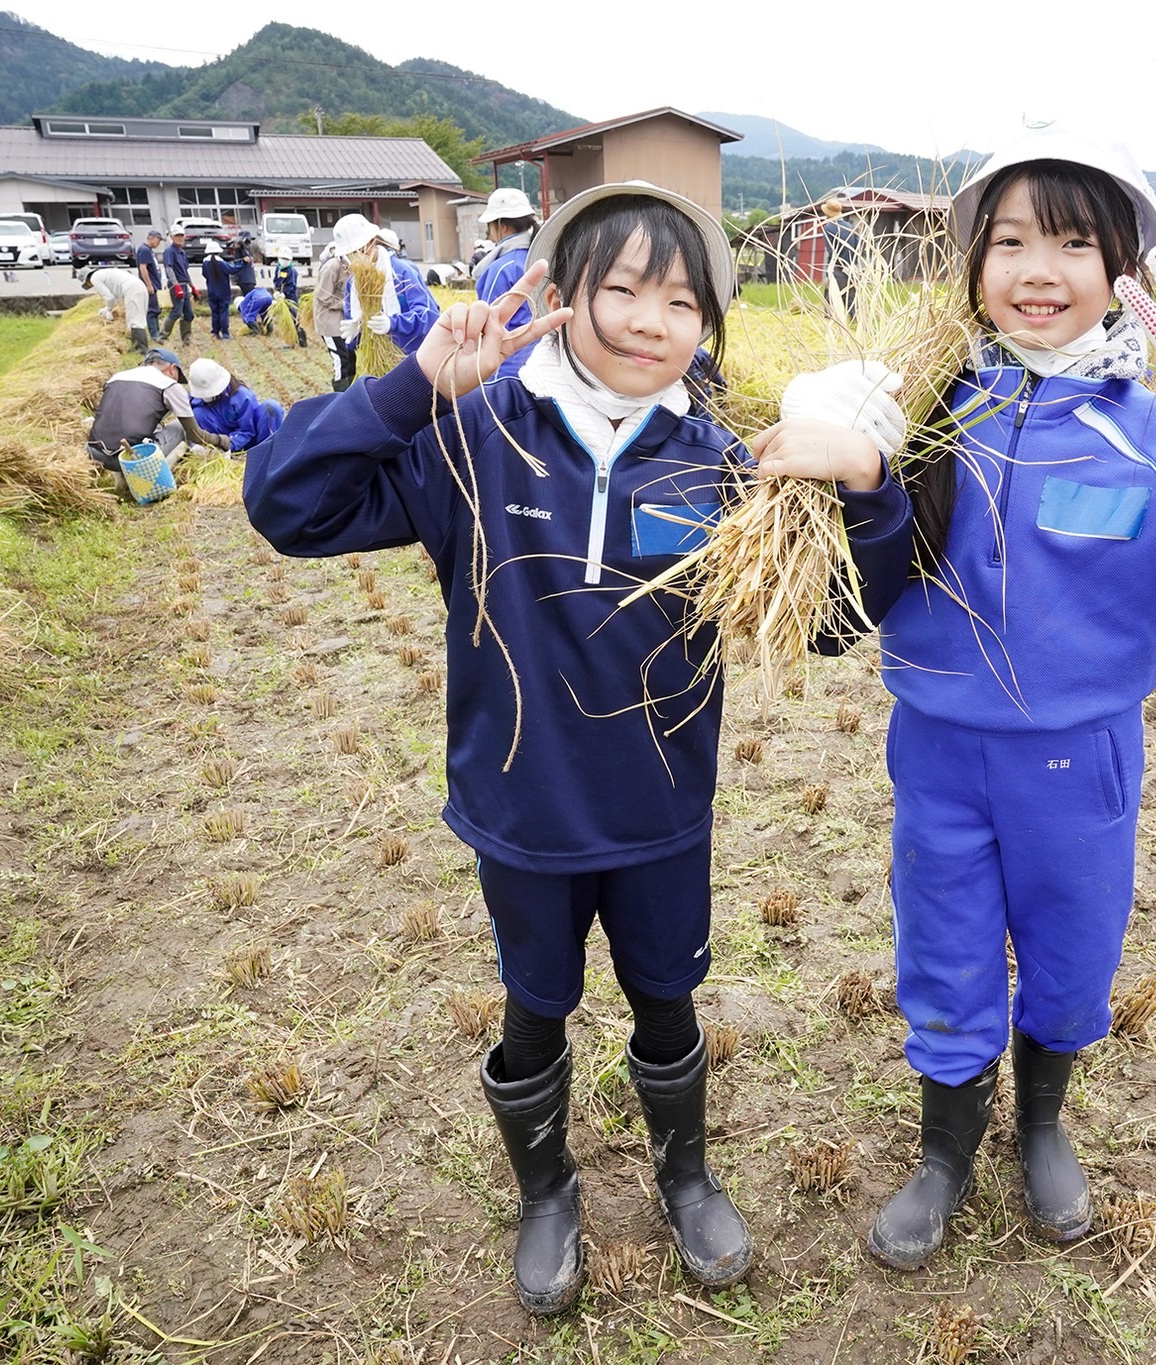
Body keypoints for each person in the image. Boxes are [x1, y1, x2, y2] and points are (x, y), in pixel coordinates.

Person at [244, 182, 914, 1316]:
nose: (653, 321)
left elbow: (838, 622)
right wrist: (417, 386)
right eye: (625, 290)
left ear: (707, 326)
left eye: (683, 303)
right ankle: (546, 1193)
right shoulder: (480, 437)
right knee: (533, 1003)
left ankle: (685, 1177)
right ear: (560, 294)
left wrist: (868, 485)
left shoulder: (720, 469)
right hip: (521, 809)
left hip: (659, 813)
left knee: (667, 998)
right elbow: (287, 507)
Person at [823, 129, 1156, 1271]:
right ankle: (943, 1152)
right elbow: (840, 580)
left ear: (1121, 269)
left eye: (1072, 244)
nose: (1037, 271)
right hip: (937, 750)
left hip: (1081, 762)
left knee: (1070, 950)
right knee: (944, 949)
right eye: (1009, 242)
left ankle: (1044, 1125)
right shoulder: (919, 412)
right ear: (972, 263)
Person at [86, 346, 208, 470]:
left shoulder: (116, 378)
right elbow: (194, 434)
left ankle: (121, 476)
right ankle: (158, 471)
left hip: (94, 454)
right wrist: (218, 441)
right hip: (132, 459)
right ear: (172, 369)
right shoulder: (169, 385)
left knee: (150, 426)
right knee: (180, 426)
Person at [333, 214, 436, 359]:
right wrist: (357, 332)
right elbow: (354, 339)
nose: (356, 259)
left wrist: (392, 323)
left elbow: (429, 315)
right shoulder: (353, 283)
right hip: (379, 360)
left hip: (414, 358)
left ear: (372, 242)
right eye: (349, 255)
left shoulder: (401, 272)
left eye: (358, 251)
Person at [471, 187, 540, 377]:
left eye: (490, 227)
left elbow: (487, 322)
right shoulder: (539, 257)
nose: (489, 233)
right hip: (541, 359)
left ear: (502, 226)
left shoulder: (502, 268)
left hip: (509, 365)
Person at [186, 357, 283, 452]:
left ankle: (266, 450)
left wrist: (230, 444)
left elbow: (247, 430)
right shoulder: (196, 402)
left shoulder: (241, 396)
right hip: (222, 443)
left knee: (271, 407)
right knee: (198, 413)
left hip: (250, 438)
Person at [313, 239, 355, 392]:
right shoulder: (332, 266)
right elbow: (323, 296)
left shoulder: (349, 268)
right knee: (341, 359)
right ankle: (340, 395)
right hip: (329, 321)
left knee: (351, 358)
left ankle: (350, 392)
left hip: (343, 321)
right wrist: (344, 304)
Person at [84, 265, 152, 353]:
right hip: (138, 286)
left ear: (87, 279)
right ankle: (136, 346)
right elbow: (115, 298)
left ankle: (141, 348)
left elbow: (109, 298)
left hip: (132, 289)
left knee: (135, 320)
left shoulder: (95, 278)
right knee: (136, 318)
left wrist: (108, 310)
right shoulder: (104, 273)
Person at [162, 230, 195, 347]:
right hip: (176, 285)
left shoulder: (182, 253)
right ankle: (163, 335)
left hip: (184, 285)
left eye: (181, 236)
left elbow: (185, 271)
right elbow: (169, 269)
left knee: (189, 314)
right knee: (176, 312)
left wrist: (192, 286)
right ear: (172, 237)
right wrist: (176, 285)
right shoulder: (169, 251)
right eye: (177, 236)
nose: (180, 238)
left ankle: (186, 338)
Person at [135, 229, 165, 343]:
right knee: (152, 310)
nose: (159, 243)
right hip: (151, 285)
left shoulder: (149, 250)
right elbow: (143, 268)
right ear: (152, 238)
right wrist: (149, 285)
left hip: (156, 284)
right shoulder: (144, 250)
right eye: (158, 240)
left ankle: (157, 332)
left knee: (157, 309)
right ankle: (154, 334)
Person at [201, 242, 235, 342]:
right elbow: (232, 270)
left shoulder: (205, 262)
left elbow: (204, 274)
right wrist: (242, 264)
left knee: (214, 312)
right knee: (223, 311)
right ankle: (225, 333)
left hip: (211, 290)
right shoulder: (221, 262)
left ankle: (215, 332)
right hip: (223, 290)